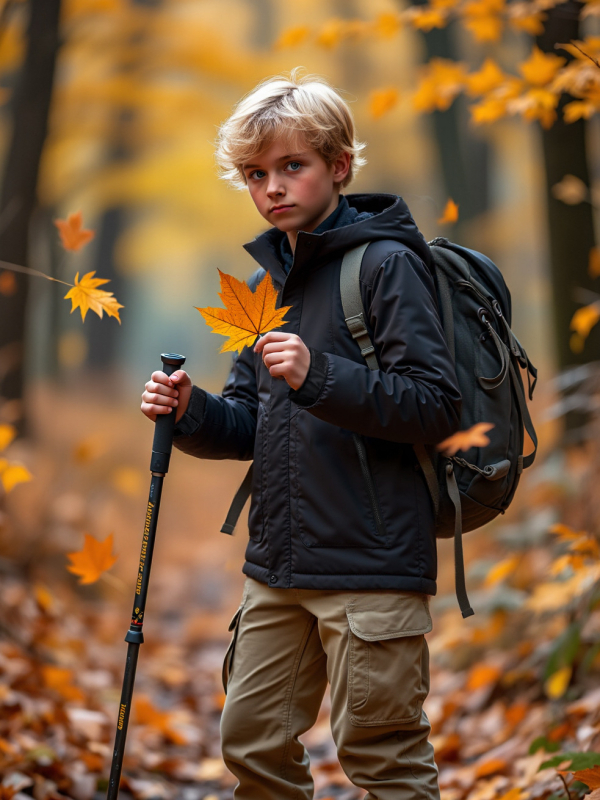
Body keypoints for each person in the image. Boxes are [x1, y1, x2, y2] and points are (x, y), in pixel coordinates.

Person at [141, 68, 462, 800]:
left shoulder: (387, 265)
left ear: (339, 166)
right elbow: (251, 424)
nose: (273, 188)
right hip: (280, 565)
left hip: (372, 564)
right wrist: (189, 410)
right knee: (251, 743)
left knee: (383, 758)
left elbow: (436, 406)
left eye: (293, 166)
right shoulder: (271, 283)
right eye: (256, 174)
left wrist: (319, 375)